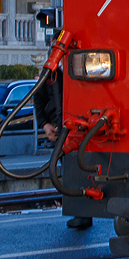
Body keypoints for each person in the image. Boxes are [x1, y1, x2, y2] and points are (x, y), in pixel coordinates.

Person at [34, 66, 89, 230]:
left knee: (76, 168)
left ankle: (81, 212)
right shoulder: (50, 72)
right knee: (70, 169)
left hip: (77, 127)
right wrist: (44, 124)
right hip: (63, 130)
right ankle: (80, 212)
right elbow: (38, 98)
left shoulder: (53, 72)